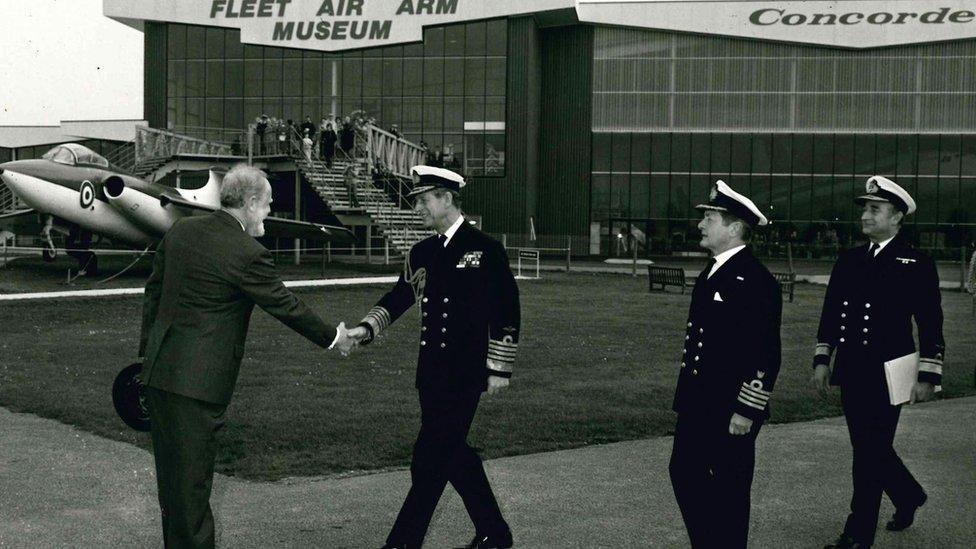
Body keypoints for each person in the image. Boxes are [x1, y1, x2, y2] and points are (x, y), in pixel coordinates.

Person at [138, 164, 344, 548]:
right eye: (266, 204)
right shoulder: (248, 252)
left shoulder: (182, 230)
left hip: (159, 376)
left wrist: (146, 357)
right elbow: (286, 305)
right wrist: (334, 337)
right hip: (197, 388)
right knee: (192, 493)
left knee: (174, 492)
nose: (268, 212)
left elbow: (153, 293)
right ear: (249, 203)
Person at [336, 165, 520, 549]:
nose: (418, 207)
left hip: (466, 374)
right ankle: (495, 533)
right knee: (452, 454)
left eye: (423, 200)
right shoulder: (423, 252)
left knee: (429, 459)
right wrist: (366, 328)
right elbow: (399, 297)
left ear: (447, 198)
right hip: (431, 375)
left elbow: (506, 310)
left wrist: (500, 368)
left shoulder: (485, 248)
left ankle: (402, 542)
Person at [811, 176, 944, 549]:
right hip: (853, 368)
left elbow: (931, 321)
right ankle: (908, 494)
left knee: (869, 453)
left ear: (897, 217)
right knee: (869, 448)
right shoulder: (850, 260)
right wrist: (823, 358)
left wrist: (928, 374)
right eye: (865, 209)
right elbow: (831, 312)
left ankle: (857, 534)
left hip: (892, 371)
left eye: (875, 209)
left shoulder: (915, 262)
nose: (866, 216)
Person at [669, 180, 782, 549]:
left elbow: (766, 351)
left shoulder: (754, 279)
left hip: (729, 406)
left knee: (730, 488)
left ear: (734, 227)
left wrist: (746, 409)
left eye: (710, 218)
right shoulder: (713, 272)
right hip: (699, 402)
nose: (701, 224)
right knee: (685, 473)